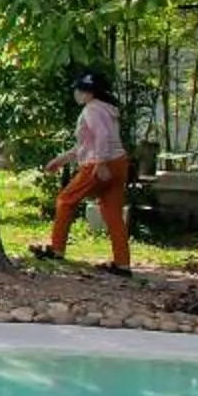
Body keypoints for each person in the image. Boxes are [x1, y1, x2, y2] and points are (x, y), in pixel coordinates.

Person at [35, 70, 130, 272]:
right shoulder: (107, 109)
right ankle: (122, 263)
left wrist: (102, 163)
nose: (76, 94)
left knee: (66, 200)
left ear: (89, 93)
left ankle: (57, 249)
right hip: (119, 162)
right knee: (112, 213)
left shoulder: (91, 110)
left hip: (98, 164)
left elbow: (102, 138)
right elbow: (87, 145)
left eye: (79, 90)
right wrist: (60, 160)